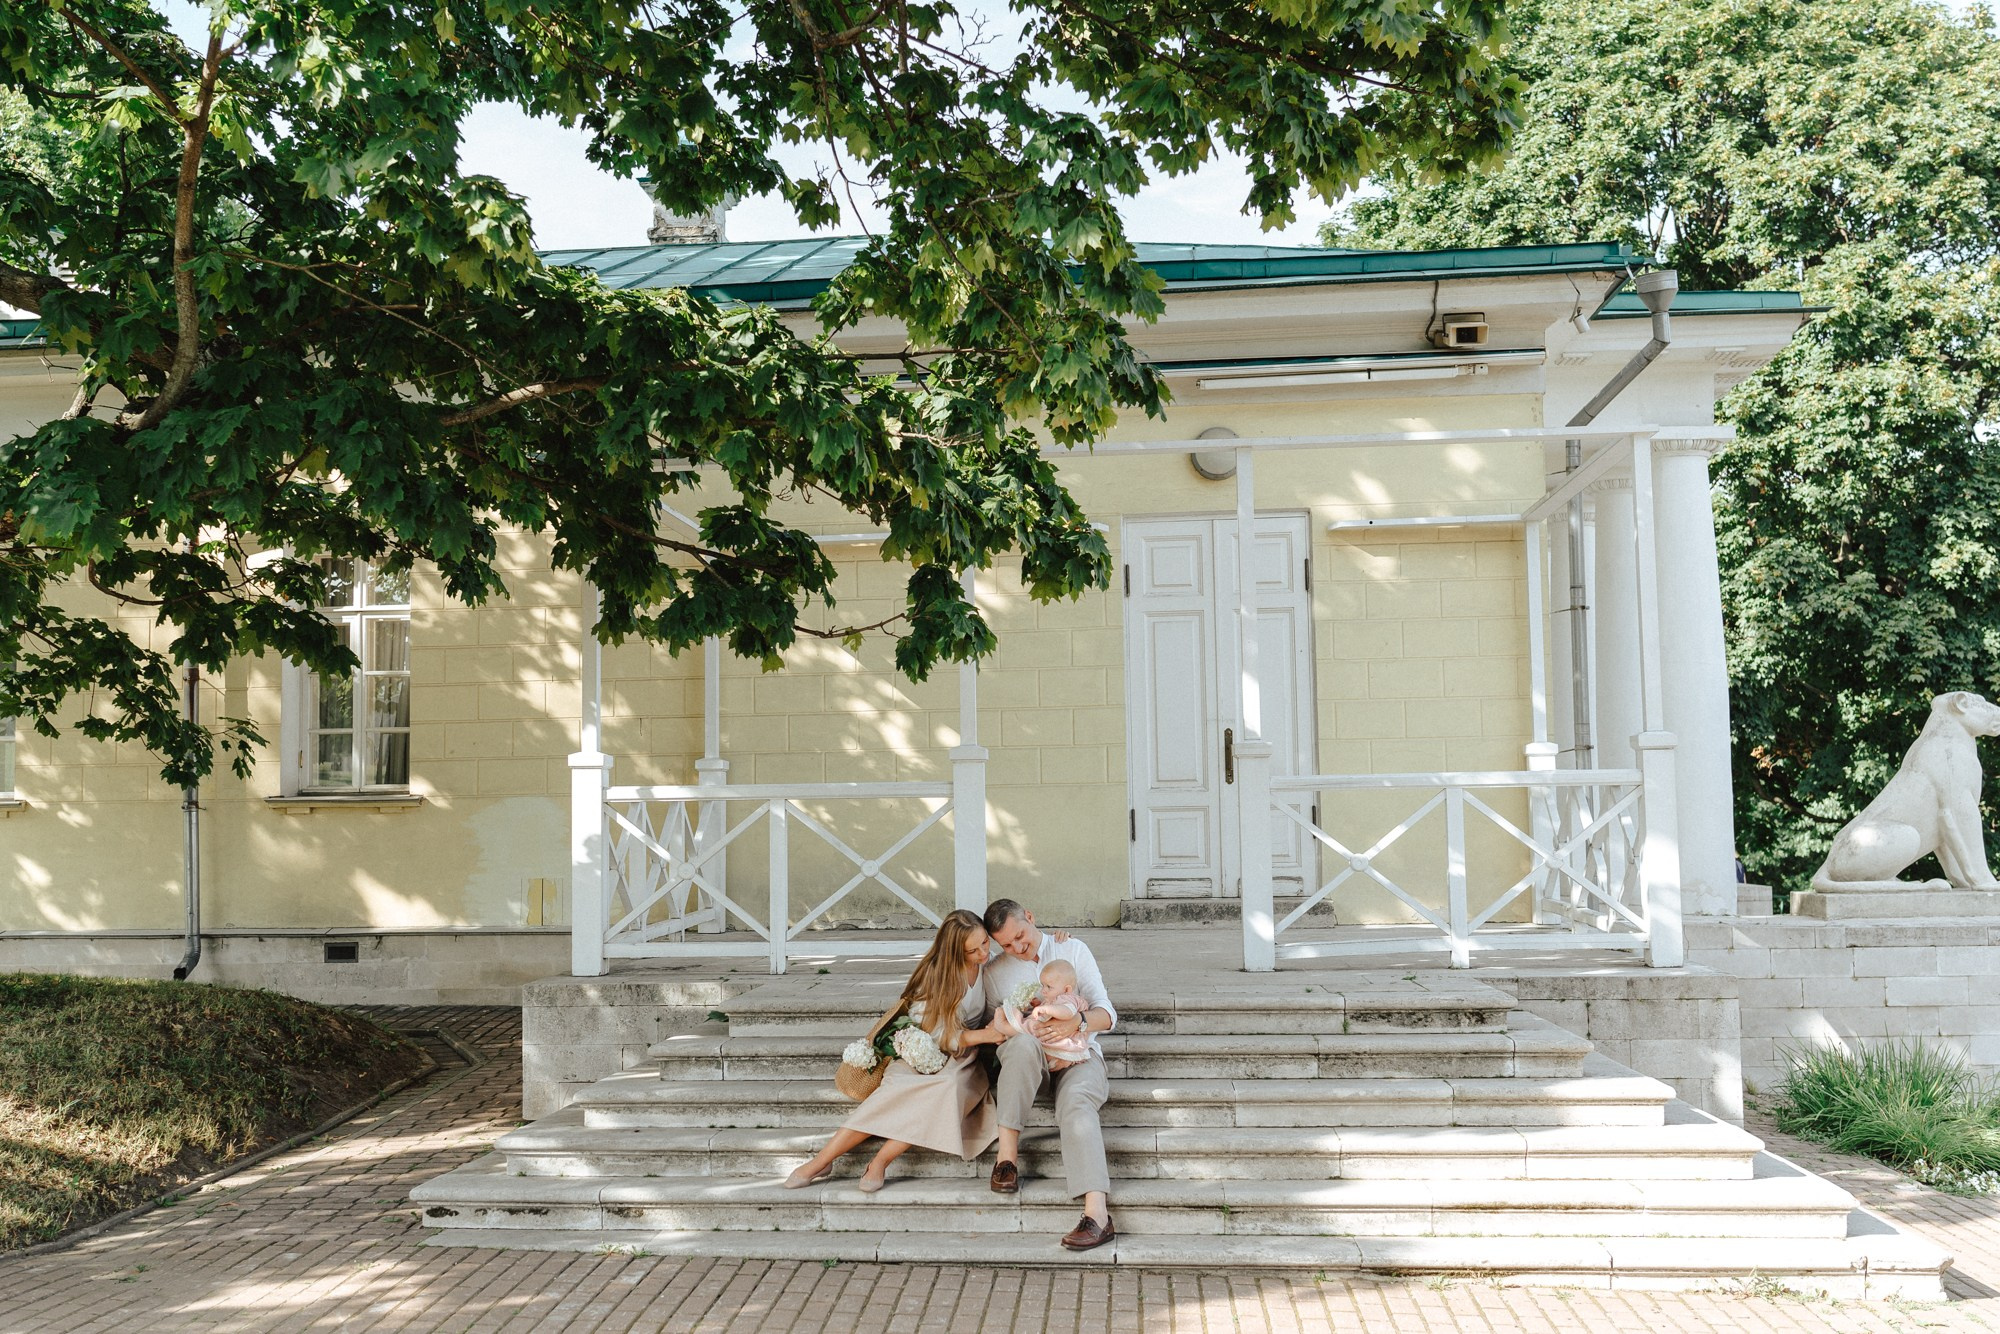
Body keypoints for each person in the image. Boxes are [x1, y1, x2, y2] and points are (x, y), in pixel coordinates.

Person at [782, 909, 1010, 1192]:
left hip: (964, 1059)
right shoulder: (937, 974)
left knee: (944, 1088)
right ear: (954, 952)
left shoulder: (989, 965)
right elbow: (936, 1033)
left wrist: (1059, 943)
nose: (983, 952)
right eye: (972, 950)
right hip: (924, 1048)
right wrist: (985, 1034)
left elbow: (1029, 962)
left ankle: (880, 1161)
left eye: (985, 943)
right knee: (896, 1090)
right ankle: (822, 1160)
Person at [981, 898, 1118, 1251]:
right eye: (1007, 944)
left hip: (1079, 1055)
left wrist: (1078, 1022)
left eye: (1021, 936)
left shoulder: (1071, 949)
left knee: (1076, 1105)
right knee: (1024, 1046)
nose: (1018, 947)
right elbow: (994, 1028)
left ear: (1030, 916)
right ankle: (1007, 1159)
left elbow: (1107, 1013)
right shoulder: (995, 973)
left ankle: (1098, 1216)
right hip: (1030, 1065)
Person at [1000, 958, 1090, 1070]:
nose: (1043, 990)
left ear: (1067, 989)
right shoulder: (1054, 999)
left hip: (1063, 1042)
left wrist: (1047, 1009)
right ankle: (1053, 1063)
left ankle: (1005, 1026)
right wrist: (1038, 1005)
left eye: (1049, 987)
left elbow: (1067, 1012)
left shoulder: (1068, 999)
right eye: (1043, 985)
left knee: (1030, 1027)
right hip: (1054, 1041)